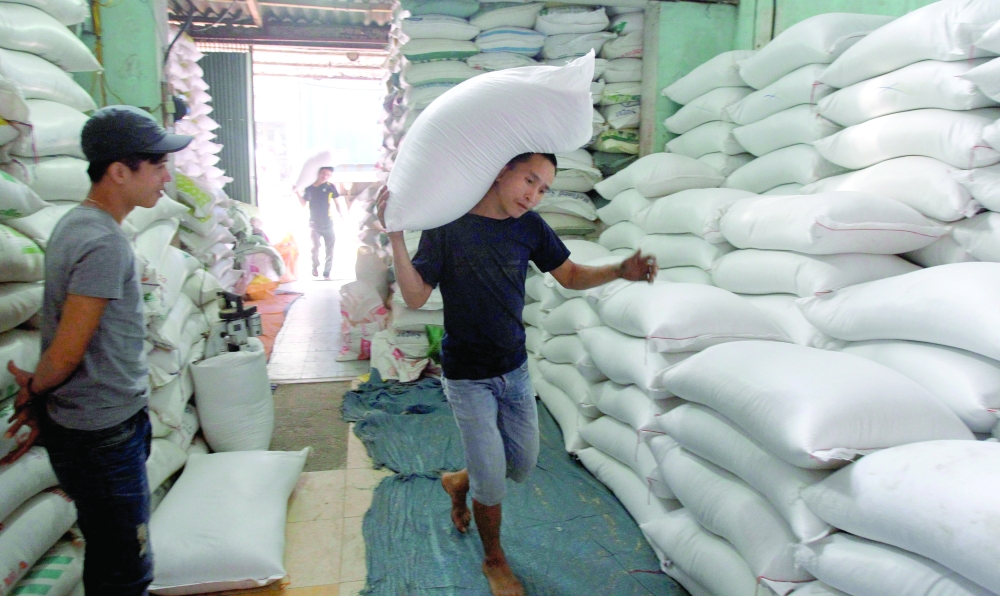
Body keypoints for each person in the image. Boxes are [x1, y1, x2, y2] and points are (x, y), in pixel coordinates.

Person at [377, 152, 657, 596]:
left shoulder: (528, 227)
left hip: (515, 370)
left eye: (543, 188)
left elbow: (569, 274)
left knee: (520, 465)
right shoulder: (448, 225)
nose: (534, 194)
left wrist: (620, 270)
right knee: (492, 480)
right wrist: (394, 237)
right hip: (468, 377)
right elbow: (414, 297)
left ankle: (459, 481)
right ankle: (494, 559)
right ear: (501, 171)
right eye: (529, 180)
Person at [3, 105, 192, 595]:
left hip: (98, 426)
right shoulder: (101, 241)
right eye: (157, 167)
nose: (165, 178)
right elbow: (68, 349)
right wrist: (34, 392)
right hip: (103, 433)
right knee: (126, 565)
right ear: (119, 171)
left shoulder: (76, 224)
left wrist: (39, 393)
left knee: (110, 554)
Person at [296, 166, 342, 279]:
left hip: (328, 224)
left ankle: (327, 272)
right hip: (314, 225)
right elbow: (303, 203)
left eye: (328, 175)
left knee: (330, 250)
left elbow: (337, 203)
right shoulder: (309, 188)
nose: (325, 176)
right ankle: (314, 267)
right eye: (323, 173)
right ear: (318, 173)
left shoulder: (330, 187)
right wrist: (296, 192)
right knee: (315, 248)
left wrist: (341, 214)